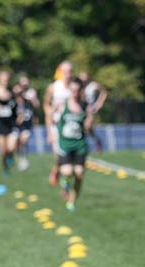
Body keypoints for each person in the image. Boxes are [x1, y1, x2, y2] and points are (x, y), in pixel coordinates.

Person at [54, 76, 93, 212]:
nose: (75, 93)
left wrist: (90, 122)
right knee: (68, 171)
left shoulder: (85, 106)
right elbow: (52, 117)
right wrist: (52, 133)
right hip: (65, 144)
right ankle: (63, 181)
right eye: (73, 90)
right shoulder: (62, 104)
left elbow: (88, 125)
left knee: (79, 174)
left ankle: (71, 202)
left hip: (80, 144)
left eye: (78, 91)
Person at [44, 61, 74, 185]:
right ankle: (61, 177)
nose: (68, 74)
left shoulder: (75, 88)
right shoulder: (54, 87)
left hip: (71, 128)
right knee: (59, 156)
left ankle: (60, 173)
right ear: (60, 72)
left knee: (70, 159)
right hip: (57, 126)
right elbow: (46, 105)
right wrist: (49, 130)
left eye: (70, 71)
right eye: (65, 71)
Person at [0, 70, 19, 177]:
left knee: (11, 147)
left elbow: (17, 105)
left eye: (7, 79)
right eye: (3, 79)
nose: (5, 81)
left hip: (11, 123)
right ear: (0, 79)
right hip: (0, 123)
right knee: (2, 150)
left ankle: (10, 156)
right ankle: (5, 168)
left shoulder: (12, 91)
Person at [13, 74, 40, 171]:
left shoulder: (31, 94)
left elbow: (36, 106)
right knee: (15, 141)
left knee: (24, 139)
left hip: (27, 124)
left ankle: (23, 158)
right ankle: (17, 157)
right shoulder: (15, 94)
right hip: (15, 125)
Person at [78, 70, 107, 151]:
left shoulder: (93, 85)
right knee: (88, 130)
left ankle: (84, 145)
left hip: (90, 109)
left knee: (87, 126)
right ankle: (97, 141)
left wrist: (99, 103)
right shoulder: (79, 86)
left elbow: (103, 91)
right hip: (81, 109)